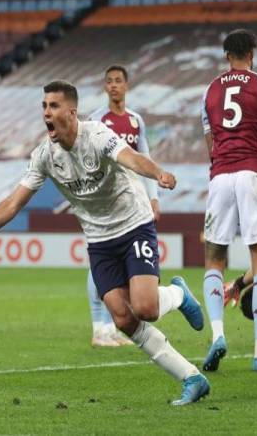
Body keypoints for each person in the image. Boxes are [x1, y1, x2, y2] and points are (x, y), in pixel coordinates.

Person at [0, 80, 210, 406]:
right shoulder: (45, 156)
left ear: (71, 112)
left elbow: (130, 157)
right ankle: (191, 377)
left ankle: (177, 294)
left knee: (146, 307)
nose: (46, 112)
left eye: (54, 106)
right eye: (44, 106)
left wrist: (157, 173)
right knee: (122, 318)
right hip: (99, 240)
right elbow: (13, 203)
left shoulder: (97, 135)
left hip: (133, 225)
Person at [200, 29, 257, 372]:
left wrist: (222, 168)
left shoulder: (209, 90)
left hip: (220, 177)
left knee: (214, 257)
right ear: (252, 53)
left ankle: (218, 335)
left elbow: (210, 146)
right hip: (252, 174)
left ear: (226, 56)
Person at [85, 64, 159, 347]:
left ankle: (110, 327)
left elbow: (145, 159)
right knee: (98, 263)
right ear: (105, 87)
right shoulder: (96, 119)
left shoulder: (136, 121)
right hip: (103, 201)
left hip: (132, 202)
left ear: (126, 86)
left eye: (119, 81)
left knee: (121, 269)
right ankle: (98, 327)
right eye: (110, 81)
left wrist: (153, 198)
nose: (114, 85)